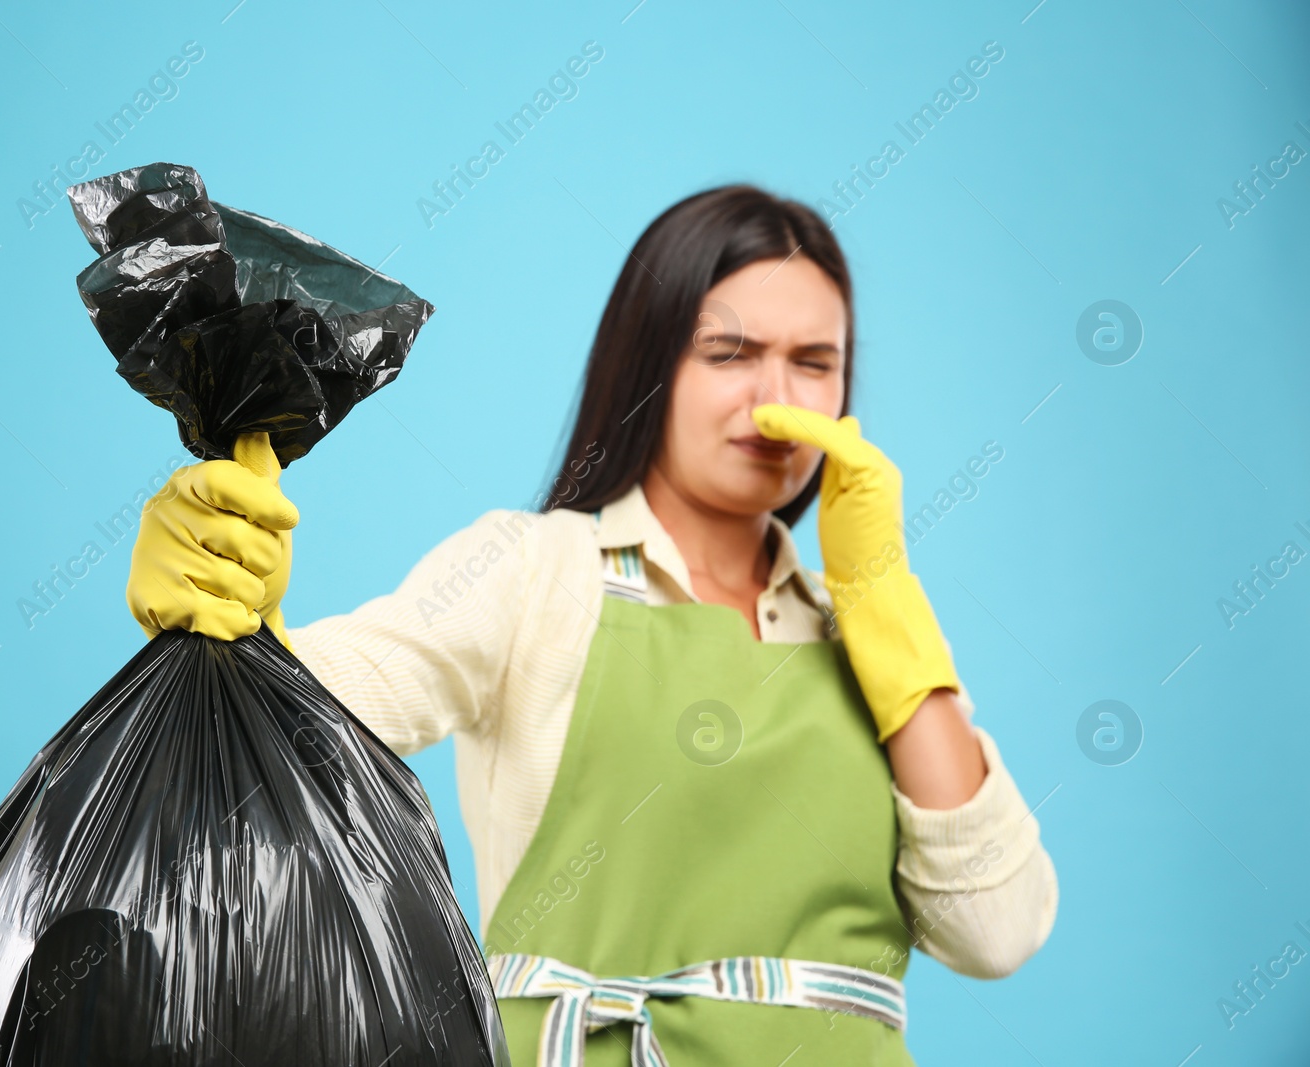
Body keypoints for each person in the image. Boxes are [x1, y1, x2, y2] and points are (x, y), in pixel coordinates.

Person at [124, 185, 1058, 1065]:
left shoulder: (872, 643)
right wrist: (227, 614)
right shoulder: (534, 573)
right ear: (650, 362)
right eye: (729, 352)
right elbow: (309, 727)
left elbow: (997, 929)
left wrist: (885, 605)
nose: (776, 401)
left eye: (814, 362)